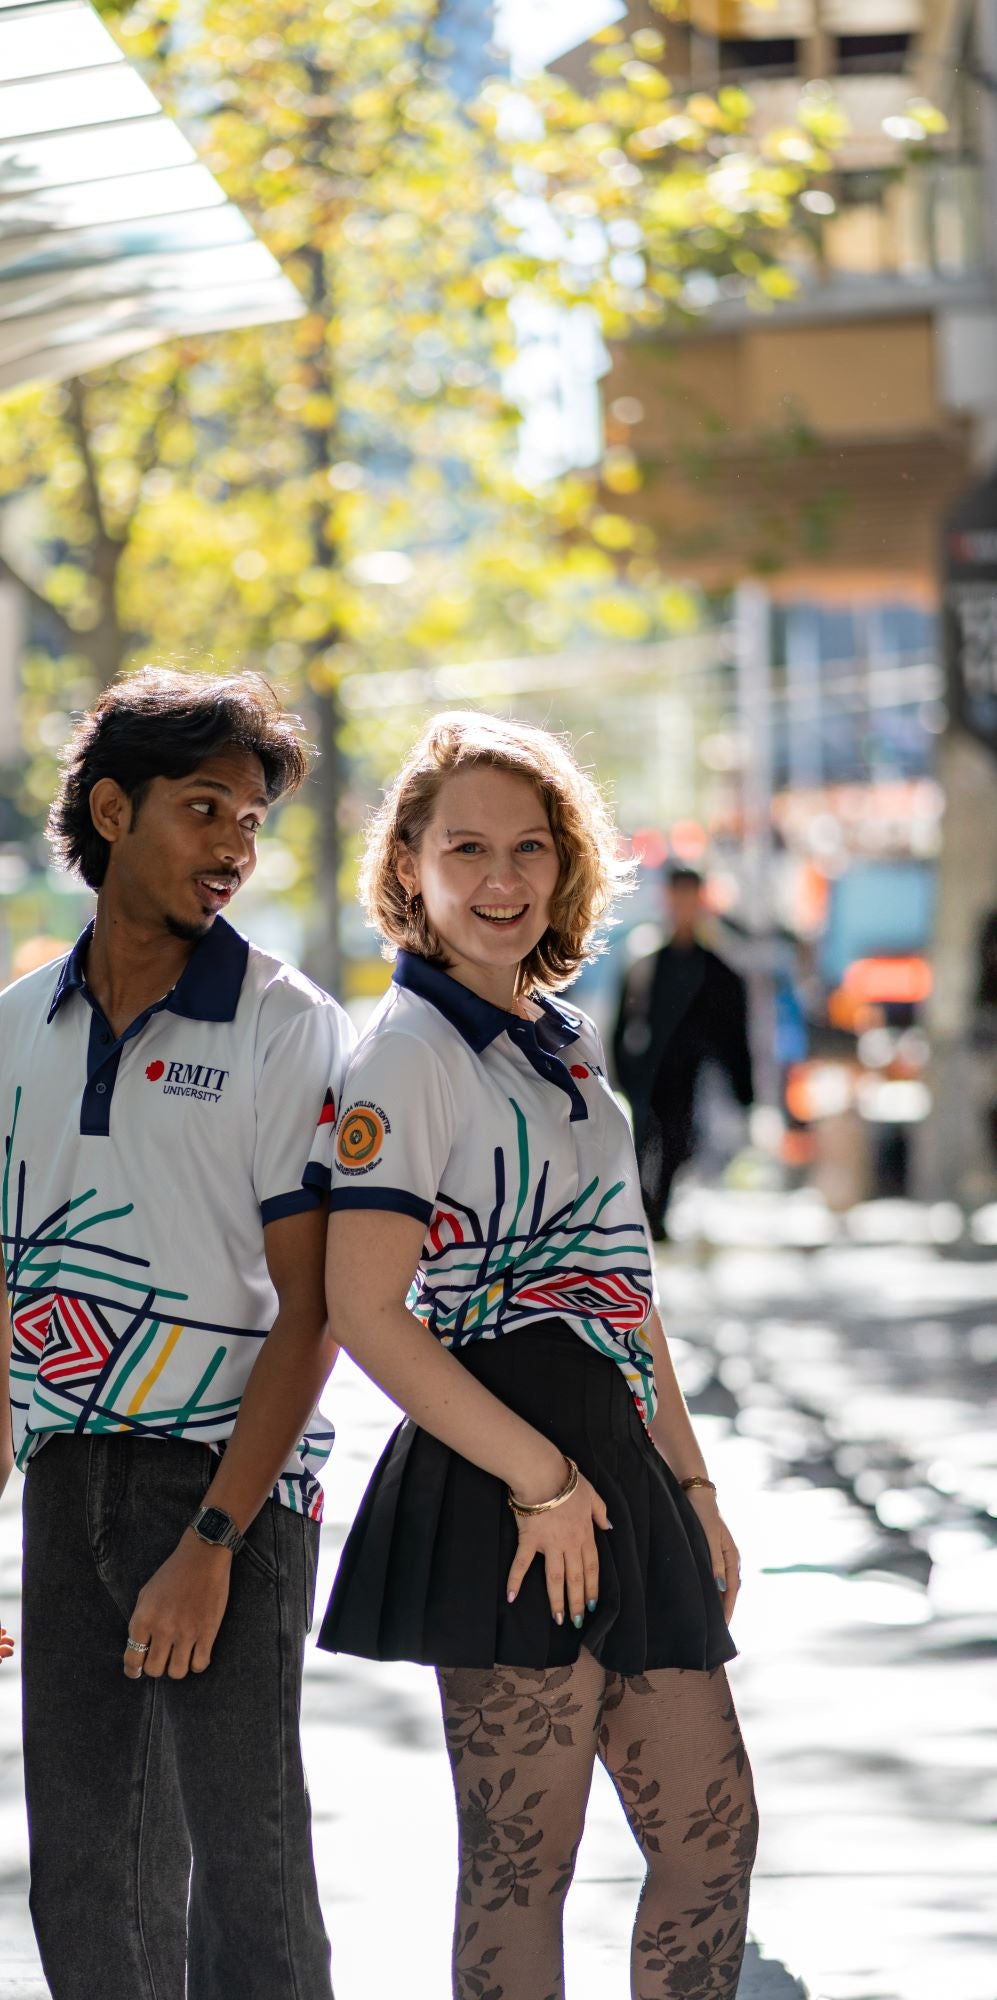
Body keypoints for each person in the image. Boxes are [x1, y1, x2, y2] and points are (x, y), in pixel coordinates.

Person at [318, 714, 755, 2000]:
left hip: (616, 1458)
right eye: (466, 849)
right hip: (502, 1477)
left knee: (710, 1839)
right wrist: (541, 1480)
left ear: (567, 864)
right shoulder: (408, 1053)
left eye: (529, 847)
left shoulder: (560, 1037)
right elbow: (363, 1306)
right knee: (522, 1867)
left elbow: (623, 1289)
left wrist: (691, 1482)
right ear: (409, 862)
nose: (500, 879)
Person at [0, 668, 351, 2000]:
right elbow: (7, 1283)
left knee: (249, 1883)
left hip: (227, 1487)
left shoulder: (288, 1025)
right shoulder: (17, 1026)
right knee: (88, 1886)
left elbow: (315, 1305)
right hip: (67, 1487)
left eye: (251, 818)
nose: (235, 844)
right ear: (111, 810)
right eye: (205, 808)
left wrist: (216, 1542)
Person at [611, 865, 754, 1241]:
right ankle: (641, 1217)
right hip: (647, 1074)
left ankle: (655, 1217)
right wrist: (620, 1072)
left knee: (677, 1144)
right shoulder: (645, 960)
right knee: (641, 1143)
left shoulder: (715, 968)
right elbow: (623, 1021)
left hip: (687, 1076)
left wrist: (744, 1090)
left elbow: (732, 1031)